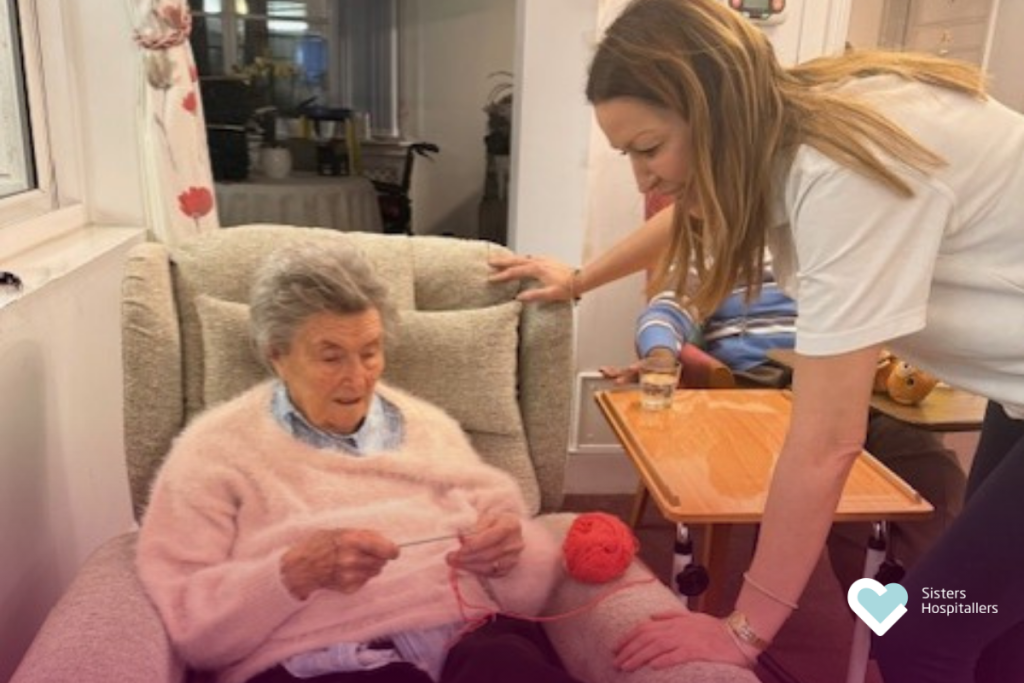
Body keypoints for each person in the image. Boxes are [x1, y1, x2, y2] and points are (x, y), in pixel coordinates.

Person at [488, 0, 1024, 680]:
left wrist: (744, 629)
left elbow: (828, 441)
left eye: (649, 148)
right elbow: (685, 209)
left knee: (923, 629)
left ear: (714, 111)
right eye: (629, 154)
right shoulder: (791, 117)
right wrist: (580, 280)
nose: (643, 178)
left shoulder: (840, 170)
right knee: (994, 623)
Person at [136, 241, 581, 683]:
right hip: (315, 660)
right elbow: (192, 628)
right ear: (276, 354)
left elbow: (524, 579)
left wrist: (508, 553)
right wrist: (289, 576)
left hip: (467, 637)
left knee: (510, 664)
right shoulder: (212, 452)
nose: (357, 378)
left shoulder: (429, 426)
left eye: (370, 352)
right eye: (331, 357)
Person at [601, 254, 965, 594]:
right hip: (766, 389)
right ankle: (892, 626)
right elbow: (664, 311)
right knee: (852, 495)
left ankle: (932, 611)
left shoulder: (844, 248)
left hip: (856, 382)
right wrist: (661, 356)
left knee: (933, 474)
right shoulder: (722, 251)